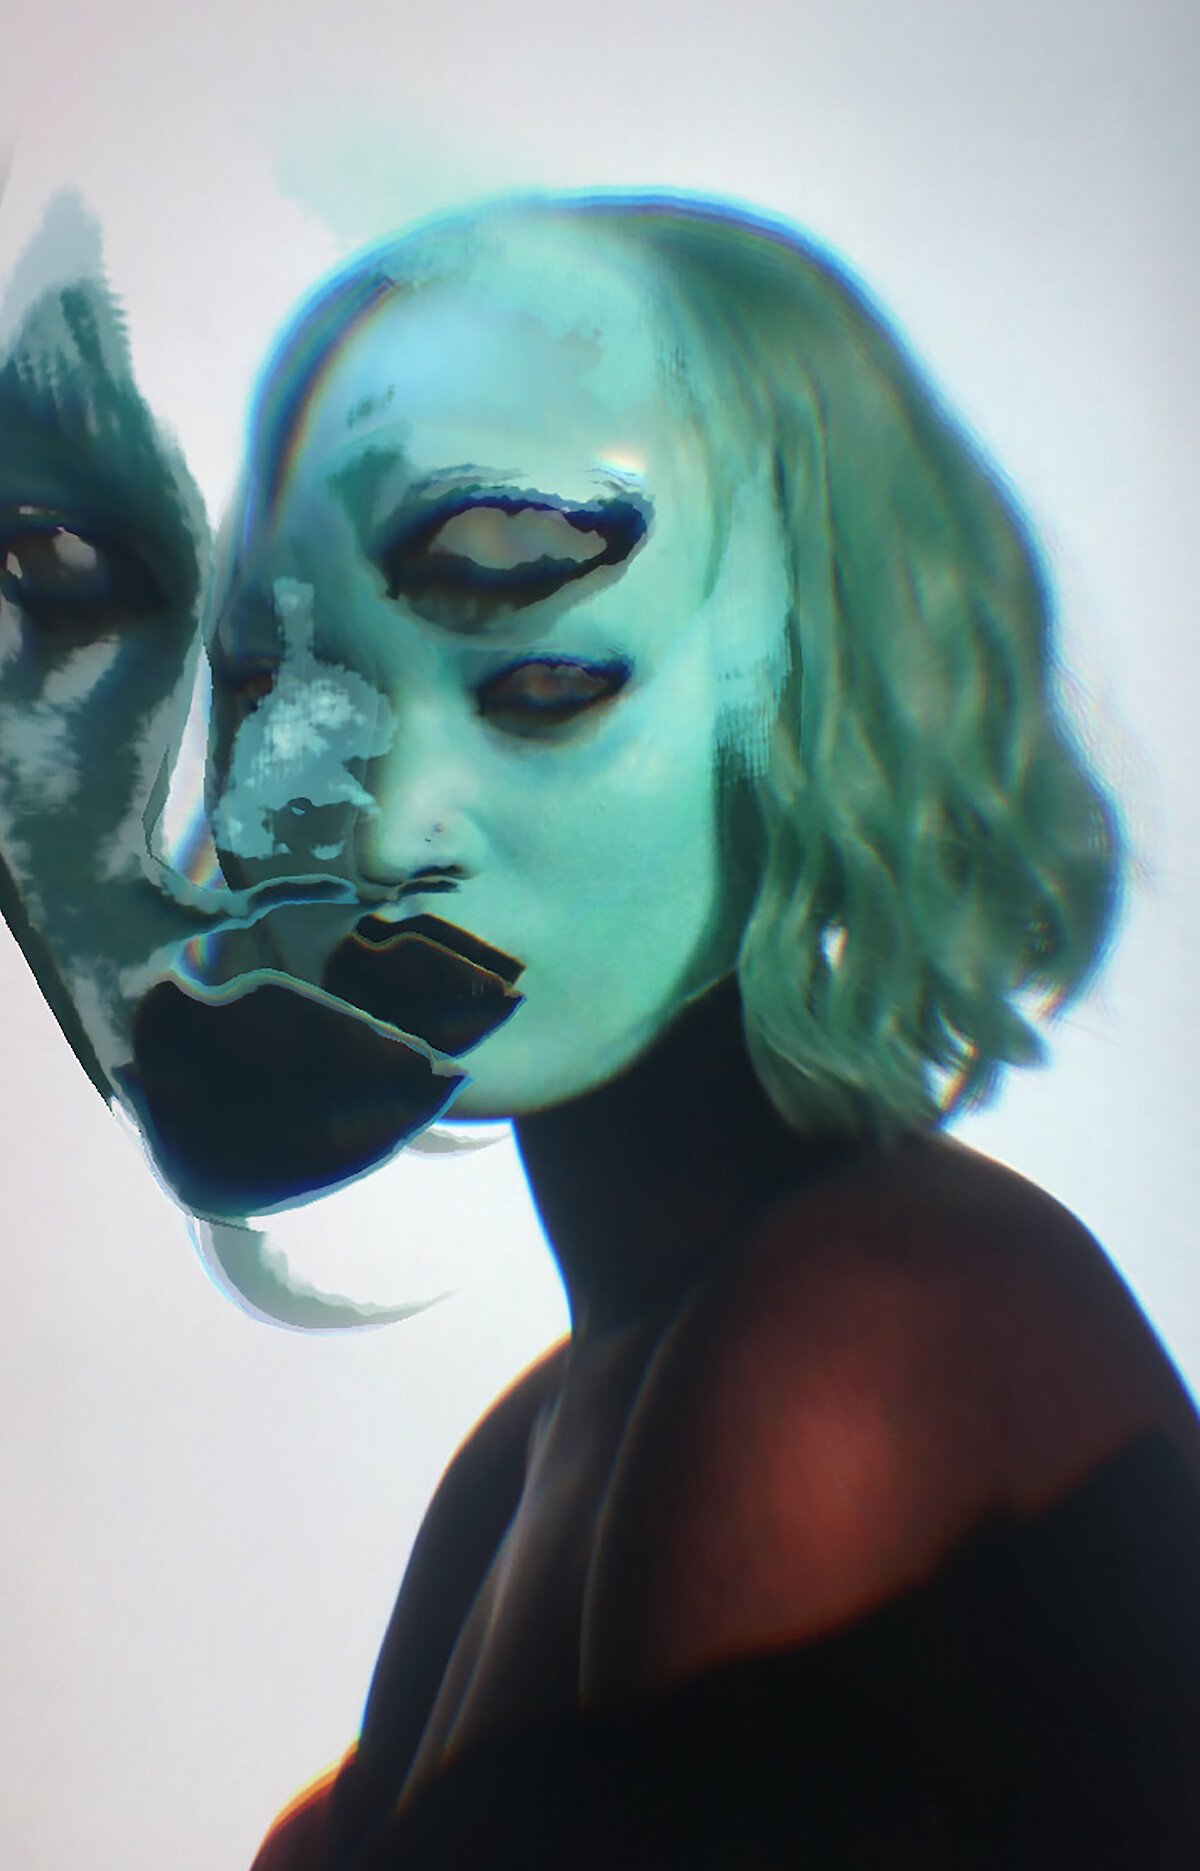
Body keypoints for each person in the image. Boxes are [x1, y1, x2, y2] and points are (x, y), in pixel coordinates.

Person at [1, 192, 1198, 1868]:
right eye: (294, 685)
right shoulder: (545, 1444)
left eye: (544, 681)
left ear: (819, 692)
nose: (388, 823)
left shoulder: (855, 1352)